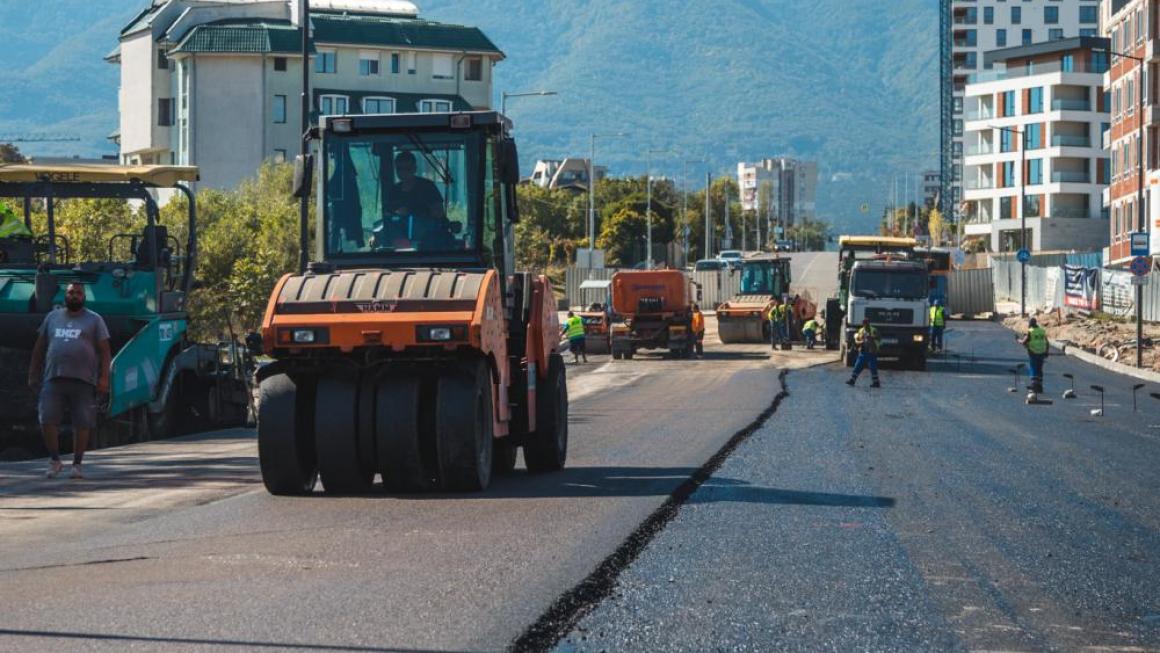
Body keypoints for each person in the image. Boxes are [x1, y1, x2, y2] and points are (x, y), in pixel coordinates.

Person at [27, 282, 111, 479]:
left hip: (83, 380)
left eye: (78, 293)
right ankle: (55, 460)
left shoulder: (94, 320)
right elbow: (39, 349)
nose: (75, 296)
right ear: (65, 296)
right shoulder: (52, 317)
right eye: (71, 292)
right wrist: (33, 374)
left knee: (82, 423)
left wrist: (104, 378)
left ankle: (77, 464)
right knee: (47, 418)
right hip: (53, 377)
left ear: (84, 297)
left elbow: (105, 351)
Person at [378, 151, 452, 250]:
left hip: (429, 242)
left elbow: (438, 212)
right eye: (399, 169)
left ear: (414, 169)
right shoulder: (394, 191)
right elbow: (388, 213)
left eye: (407, 169)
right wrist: (397, 213)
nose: (403, 172)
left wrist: (416, 212)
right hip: (399, 242)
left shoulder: (428, 187)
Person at [846, 318, 881, 388]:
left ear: (869, 323)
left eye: (867, 323)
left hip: (871, 352)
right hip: (863, 352)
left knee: (873, 367)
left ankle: (876, 382)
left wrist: (871, 337)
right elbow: (857, 340)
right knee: (857, 366)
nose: (865, 325)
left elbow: (878, 337)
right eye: (864, 323)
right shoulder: (861, 330)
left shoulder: (874, 330)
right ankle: (852, 380)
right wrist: (859, 340)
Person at [1020, 317, 1049, 393]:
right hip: (1042, 352)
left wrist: (1018, 340)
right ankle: (1039, 386)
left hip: (1033, 352)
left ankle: (1034, 386)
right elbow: (1047, 342)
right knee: (1039, 369)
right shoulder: (1042, 331)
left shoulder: (1031, 331)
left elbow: (1024, 342)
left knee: (1033, 368)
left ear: (1030, 324)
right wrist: (1046, 352)